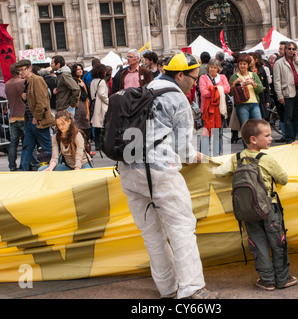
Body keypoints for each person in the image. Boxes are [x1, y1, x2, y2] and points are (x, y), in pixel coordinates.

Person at [119, 52, 217, 299]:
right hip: (159, 170)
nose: (195, 83)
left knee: (152, 234)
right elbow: (184, 148)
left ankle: (167, 288)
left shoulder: (146, 88)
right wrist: (194, 155)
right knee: (182, 228)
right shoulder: (177, 99)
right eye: (194, 79)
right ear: (180, 75)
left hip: (129, 170)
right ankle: (192, 289)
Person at [214, 118, 297, 291]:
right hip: (270, 209)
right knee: (278, 243)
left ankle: (267, 280)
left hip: (248, 211)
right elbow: (284, 179)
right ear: (253, 139)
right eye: (266, 136)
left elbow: (218, 173)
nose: (271, 138)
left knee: (258, 244)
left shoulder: (236, 158)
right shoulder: (267, 159)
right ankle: (283, 279)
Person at [16, 59, 55, 171]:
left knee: (47, 147)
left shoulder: (37, 80)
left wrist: (36, 118)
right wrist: (24, 98)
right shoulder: (27, 82)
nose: (20, 73)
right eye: (18, 71)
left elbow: (42, 101)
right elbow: (32, 101)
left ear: (29, 68)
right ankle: (22, 169)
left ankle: (57, 165)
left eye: (22, 70)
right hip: (30, 120)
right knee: (27, 146)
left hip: (38, 120)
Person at [273, 41, 298, 143]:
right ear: (285, 50)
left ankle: (297, 138)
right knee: (288, 117)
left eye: (293, 49)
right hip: (287, 93)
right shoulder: (279, 63)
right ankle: (289, 138)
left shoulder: (297, 60)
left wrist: (297, 59)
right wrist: (280, 96)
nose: (291, 51)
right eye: (289, 49)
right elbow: (277, 81)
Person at [199, 58, 230, 156]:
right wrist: (219, 90)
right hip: (207, 110)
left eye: (215, 67)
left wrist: (213, 89)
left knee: (218, 133)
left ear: (218, 69)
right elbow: (204, 93)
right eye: (211, 67)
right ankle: (203, 155)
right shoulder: (203, 78)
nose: (212, 69)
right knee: (205, 133)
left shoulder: (222, 77)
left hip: (219, 109)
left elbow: (228, 89)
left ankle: (217, 155)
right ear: (208, 67)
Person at [229, 53, 264, 128]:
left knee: (258, 126)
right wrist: (234, 84)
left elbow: (260, 89)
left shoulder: (253, 75)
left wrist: (253, 83)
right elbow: (230, 93)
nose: (242, 66)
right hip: (242, 105)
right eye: (240, 64)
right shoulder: (234, 77)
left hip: (254, 104)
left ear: (248, 65)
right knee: (245, 128)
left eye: (244, 64)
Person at [5, 64, 26, 171]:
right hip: (23, 116)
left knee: (13, 143)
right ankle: (30, 163)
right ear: (18, 72)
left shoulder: (7, 84)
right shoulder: (22, 82)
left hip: (13, 116)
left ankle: (12, 165)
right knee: (27, 142)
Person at [71, 63, 92, 146]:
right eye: (78, 69)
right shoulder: (76, 81)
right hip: (79, 104)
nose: (80, 71)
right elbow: (82, 95)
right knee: (82, 123)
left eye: (81, 69)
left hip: (83, 103)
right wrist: (82, 87)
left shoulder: (80, 80)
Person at [90, 63, 109, 151]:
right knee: (103, 125)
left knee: (97, 126)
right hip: (101, 105)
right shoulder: (101, 81)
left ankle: (97, 144)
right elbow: (102, 94)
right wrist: (108, 101)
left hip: (95, 104)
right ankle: (103, 144)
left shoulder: (93, 81)